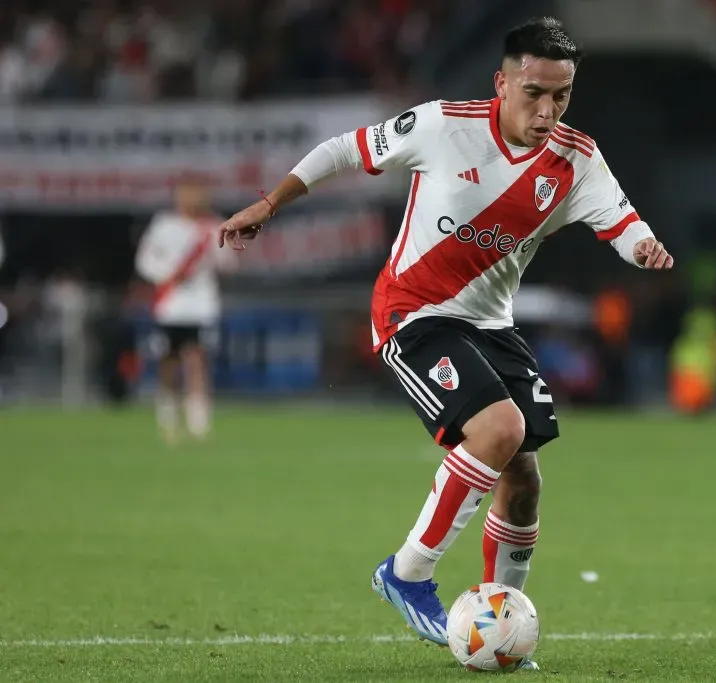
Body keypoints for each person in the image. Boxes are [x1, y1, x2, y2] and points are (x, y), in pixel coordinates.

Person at [216, 17, 673, 665]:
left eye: (561, 96)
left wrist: (641, 246)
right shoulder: (443, 124)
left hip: (492, 326)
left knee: (524, 481)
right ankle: (406, 572)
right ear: (502, 82)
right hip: (414, 311)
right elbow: (346, 149)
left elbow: (619, 219)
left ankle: (498, 622)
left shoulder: (575, 159)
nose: (547, 111)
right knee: (498, 429)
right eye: (534, 92)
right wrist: (271, 202)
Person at [135, 177, 237, 444]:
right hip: (170, 306)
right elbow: (145, 260)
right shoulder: (163, 225)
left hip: (202, 306)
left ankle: (198, 422)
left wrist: (218, 254)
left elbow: (228, 262)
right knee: (168, 361)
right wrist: (168, 273)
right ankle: (168, 418)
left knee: (197, 360)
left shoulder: (213, 226)